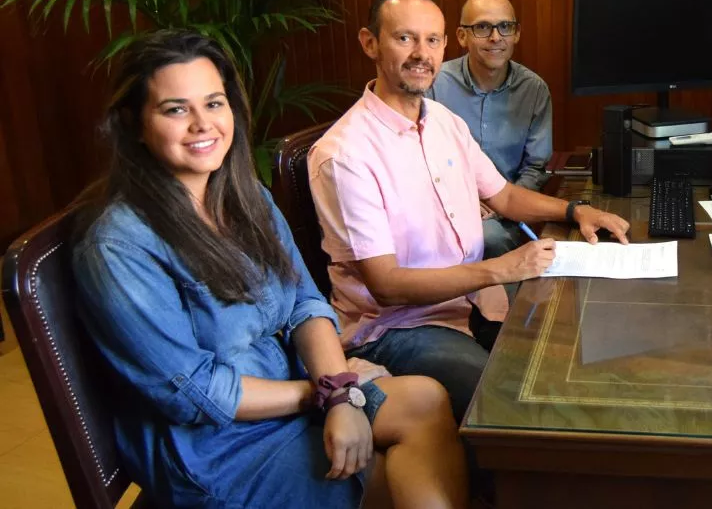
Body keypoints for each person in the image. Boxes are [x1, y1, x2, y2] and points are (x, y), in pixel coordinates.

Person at [71, 30, 468, 508]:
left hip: (290, 393)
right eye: (175, 110)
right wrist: (326, 395)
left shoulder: (243, 196)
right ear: (135, 124)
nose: (202, 124)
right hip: (217, 448)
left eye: (213, 103)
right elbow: (196, 392)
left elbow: (304, 302)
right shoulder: (119, 246)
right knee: (390, 475)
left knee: (427, 400)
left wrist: (339, 392)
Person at [309, 0, 630, 421]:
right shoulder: (346, 154)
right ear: (370, 43)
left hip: (470, 302)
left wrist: (576, 212)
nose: (421, 54)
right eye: (404, 38)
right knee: (511, 404)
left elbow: (504, 195)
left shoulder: (444, 122)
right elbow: (387, 285)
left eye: (432, 40)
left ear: (445, 45)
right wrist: (502, 268)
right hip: (399, 326)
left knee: (569, 358)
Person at [428, 0, 552, 259]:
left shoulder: (534, 90)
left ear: (516, 34)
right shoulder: (434, 85)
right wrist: (463, 200)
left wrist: (502, 204)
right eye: (483, 27)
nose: (496, 37)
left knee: (490, 238)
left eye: (505, 27)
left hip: (505, 211)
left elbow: (534, 168)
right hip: (443, 205)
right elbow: (419, 160)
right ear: (462, 36)